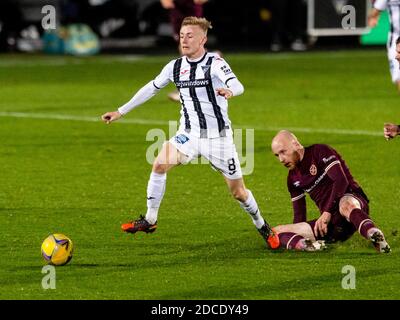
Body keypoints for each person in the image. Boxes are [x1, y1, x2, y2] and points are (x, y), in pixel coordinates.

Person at [101, 17, 275, 246]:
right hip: (189, 135)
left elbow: (237, 84)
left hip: (218, 138)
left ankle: (262, 225)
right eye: (182, 35)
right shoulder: (174, 66)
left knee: (239, 192)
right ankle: (150, 219)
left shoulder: (215, 63)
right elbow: (151, 88)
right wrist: (121, 111)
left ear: (203, 39)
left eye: (190, 35)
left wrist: (230, 91)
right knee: (160, 163)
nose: (184, 39)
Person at [269, 130, 391, 253]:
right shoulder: (292, 179)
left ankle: (374, 234)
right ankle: (309, 245)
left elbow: (341, 181)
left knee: (345, 204)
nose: (281, 159)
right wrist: (297, 230)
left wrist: (327, 212)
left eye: (283, 152)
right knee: (274, 232)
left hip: (352, 206)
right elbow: (300, 215)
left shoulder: (319, 151)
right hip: (331, 225)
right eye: (277, 155)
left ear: (295, 144)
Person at [161, 0, 209, 101]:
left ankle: (188, 88)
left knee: (189, 46)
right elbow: (167, 3)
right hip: (177, 11)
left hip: (191, 9)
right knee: (187, 46)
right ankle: (212, 62)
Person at [368, 1, 400, 92]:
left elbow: (375, 12)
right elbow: (376, 10)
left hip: (396, 39)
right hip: (396, 40)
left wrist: (372, 17)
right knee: (398, 76)